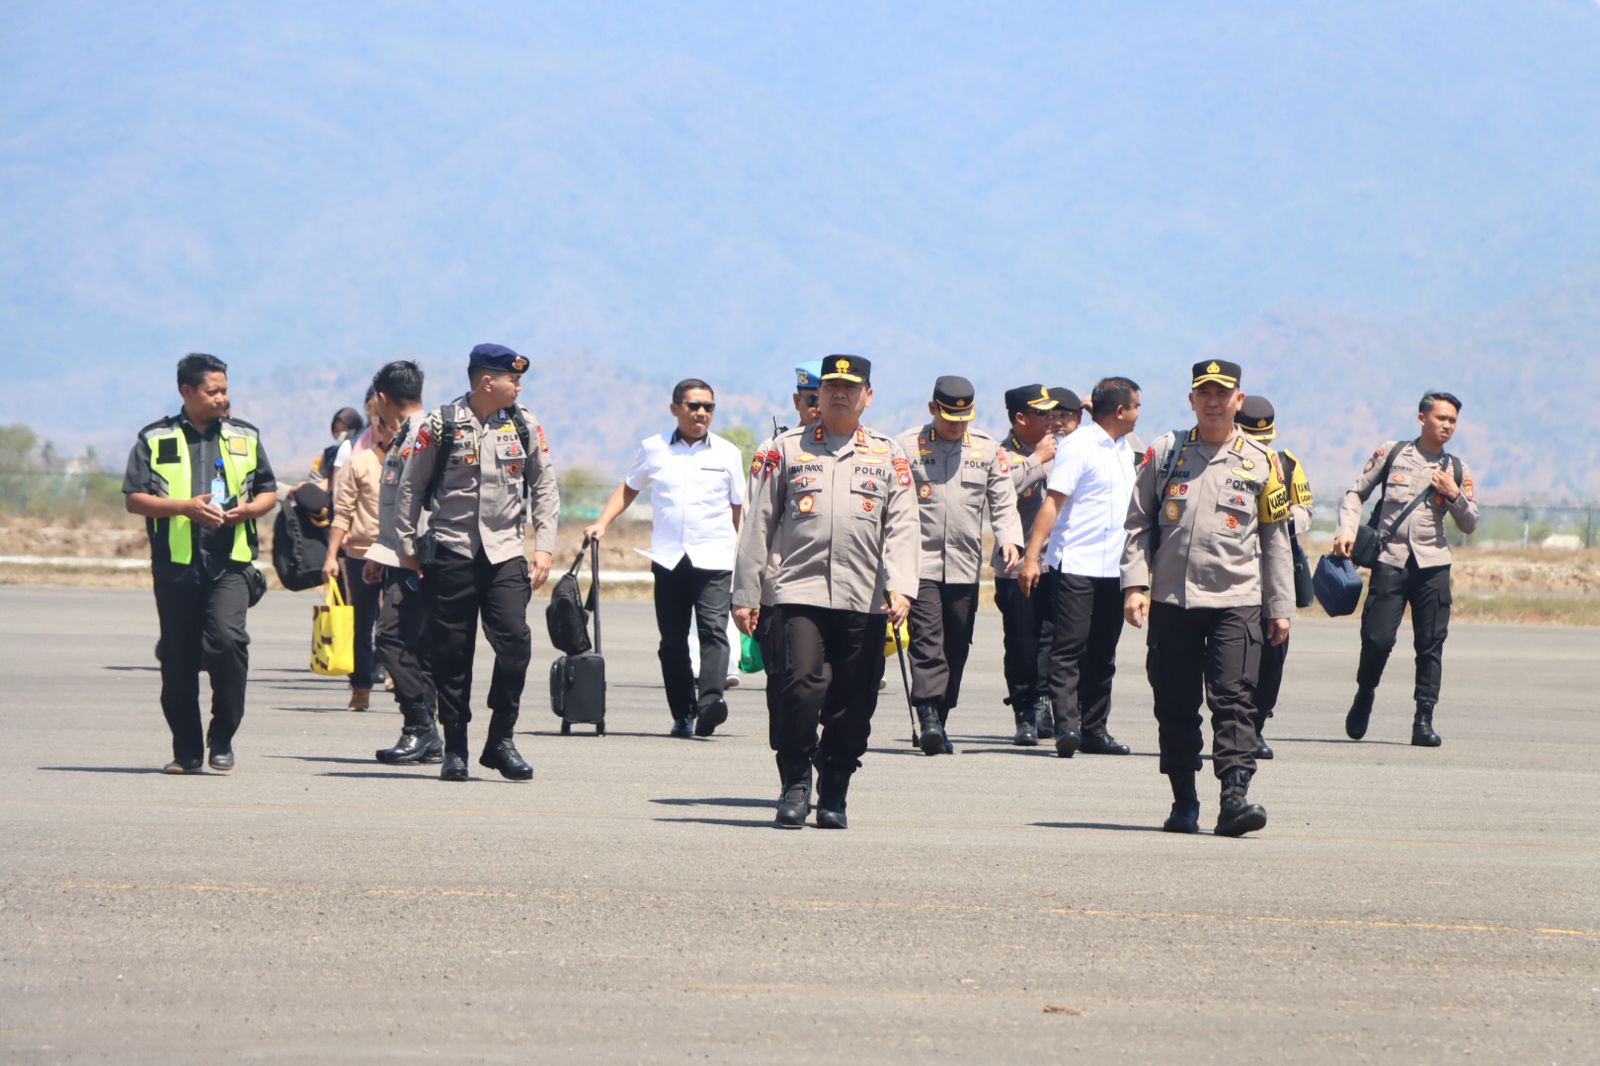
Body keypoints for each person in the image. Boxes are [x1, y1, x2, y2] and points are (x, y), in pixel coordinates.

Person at [733, 354, 918, 829]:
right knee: (798, 687)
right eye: (832, 385)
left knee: (853, 700)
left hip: (865, 596)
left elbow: (902, 525)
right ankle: (795, 780)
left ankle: (834, 784)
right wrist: (746, 593)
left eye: (850, 387)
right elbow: (758, 524)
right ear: (820, 393)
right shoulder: (786, 449)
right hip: (798, 590)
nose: (839, 393)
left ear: (867, 396)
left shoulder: (888, 454)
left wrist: (902, 587)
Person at [1121, 360, 1293, 837]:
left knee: (1235, 701)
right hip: (1173, 603)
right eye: (1205, 393)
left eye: (1223, 393)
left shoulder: (1262, 462)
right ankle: (1184, 801)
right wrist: (1135, 586)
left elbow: (1276, 541)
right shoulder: (1165, 453)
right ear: (1192, 400)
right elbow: (1138, 523)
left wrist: (1279, 608)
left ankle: (1234, 800)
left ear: (1239, 399)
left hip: (1236, 602)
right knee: (1174, 703)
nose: (1214, 401)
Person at [393, 344, 560, 782]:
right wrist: (406, 545)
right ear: (488, 381)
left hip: (505, 553)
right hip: (452, 551)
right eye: (513, 379)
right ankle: (456, 746)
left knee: (515, 643)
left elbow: (544, 486)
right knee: (451, 654)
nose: (518, 387)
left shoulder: (525, 424)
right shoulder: (440, 424)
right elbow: (411, 485)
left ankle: (501, 738)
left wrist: (543, 547)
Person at [123, 353, 279, 773]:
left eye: (225, 389)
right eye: (214, 391)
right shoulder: (155, 438)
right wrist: (183, 508)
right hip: (176, 568)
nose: (223, 398)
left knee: (229, 642)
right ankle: (187, 750)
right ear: (187, 391)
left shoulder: (245, 435)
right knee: (178, 659)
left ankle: (223, 735)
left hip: (231, 563)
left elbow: (268, 491)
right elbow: (135, 498)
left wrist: (248, 510)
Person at [585, 378, 746, 738]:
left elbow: (739, 508)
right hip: (670, 559)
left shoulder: (728, 453)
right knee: (671, 642)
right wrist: (601, 523)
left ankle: (710, 703)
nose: (701, 413)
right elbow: (629, 488)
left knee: (713, 632)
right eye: (693, 406)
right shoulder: (653, 448)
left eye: (708, 407)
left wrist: (746, 554)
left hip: (715, 557)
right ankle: (683, 712)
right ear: (675, 409)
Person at [1332, 391, 1478, 747]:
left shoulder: (1457, 468)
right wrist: (1346, 530)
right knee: (1377, 639)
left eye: (1453, 421)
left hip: (1433, 565)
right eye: (1441, 418)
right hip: (1390, 561)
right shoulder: (1392, 453)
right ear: (1422, 418)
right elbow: (1355, 494)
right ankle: (1365, 694)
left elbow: (1471, 523)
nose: (1447, 426)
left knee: (1430, 644)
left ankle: (1423, 719)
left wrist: (1455, 494)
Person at [896, 376, 1023, 756]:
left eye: (964, 418)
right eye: (950, 418)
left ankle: (941, 715)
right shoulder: (905, 447)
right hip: (919, 562)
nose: (957, 425)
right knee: (927, 640)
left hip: (964, 565)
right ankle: (928, 715)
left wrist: (1009, 538)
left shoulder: (985, 450)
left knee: (956, 645)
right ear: (933, 409)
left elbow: (1002, 500)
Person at [1019, 377, 1141, 758]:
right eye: (1136, 406)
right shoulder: (1078, 446)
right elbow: (1052, 503)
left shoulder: (1124, 450)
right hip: (1075, 563)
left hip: (1113, 568)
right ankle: (1066, 727)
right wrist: (1032, 557)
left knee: (1104, 652)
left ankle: (1095, 729)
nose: (1139, 413)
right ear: (1120, 411)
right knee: (1068, 648)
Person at [363, 360, 443, 764]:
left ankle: (420, 726)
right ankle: (426, 736)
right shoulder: (408, 435)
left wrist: (411, 557)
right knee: (420, 646)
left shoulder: (420, 435)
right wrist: (381, 551)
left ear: (382, 398)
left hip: (417, 558)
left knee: (392, 639)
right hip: (403, 555)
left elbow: (422, 503)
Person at [1235, 397, 1313, 759]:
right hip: (1233, 573)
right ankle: (1233, 725)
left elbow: (1305, 508)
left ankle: (1257, 726)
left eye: (1265, 439)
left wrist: (1280, 521)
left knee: (1273, 654)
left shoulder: (1287, 463)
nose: (1260, 446)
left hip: (1274, 572)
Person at [992, 385, 1062, 745]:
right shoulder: (1001, 454)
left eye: (1053, 413)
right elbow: (1001, 490)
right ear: (1021, 418)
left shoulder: (1061, 450)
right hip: (1016, 565)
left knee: (1050, 640)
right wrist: (1036, 458)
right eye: (1043, 414)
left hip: (1055, 563)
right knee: (1022, 641)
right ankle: (1024, 711)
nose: (1052, 420)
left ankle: (1044, 704)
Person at [323, 388, 389, 712]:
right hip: (361, 551)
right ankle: (360, 685)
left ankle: (397, 675)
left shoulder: (411, 460)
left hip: (399, 553)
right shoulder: (356, 460)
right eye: (379, 420)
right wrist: (332, 556)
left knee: (395, 623)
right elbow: (342, 510)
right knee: (362, 623)